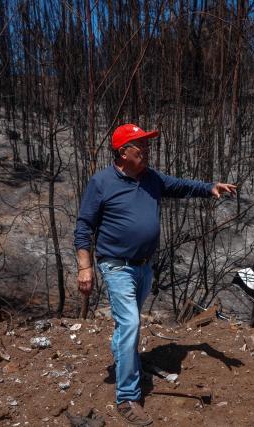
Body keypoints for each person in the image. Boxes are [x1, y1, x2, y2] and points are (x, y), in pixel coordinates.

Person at [74, 123, 236, 425]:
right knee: (131, 323)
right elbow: (84, 227)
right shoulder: (101, 183)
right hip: (116, 266)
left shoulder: (151, 179)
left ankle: (125, 357)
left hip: (144, 267)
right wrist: (85, 268)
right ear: (123, 153)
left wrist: (210, 187)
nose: (147, 151)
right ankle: (127, 397)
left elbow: (181, 185)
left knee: (128, 325)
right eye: (141, 147)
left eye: (147, 146)